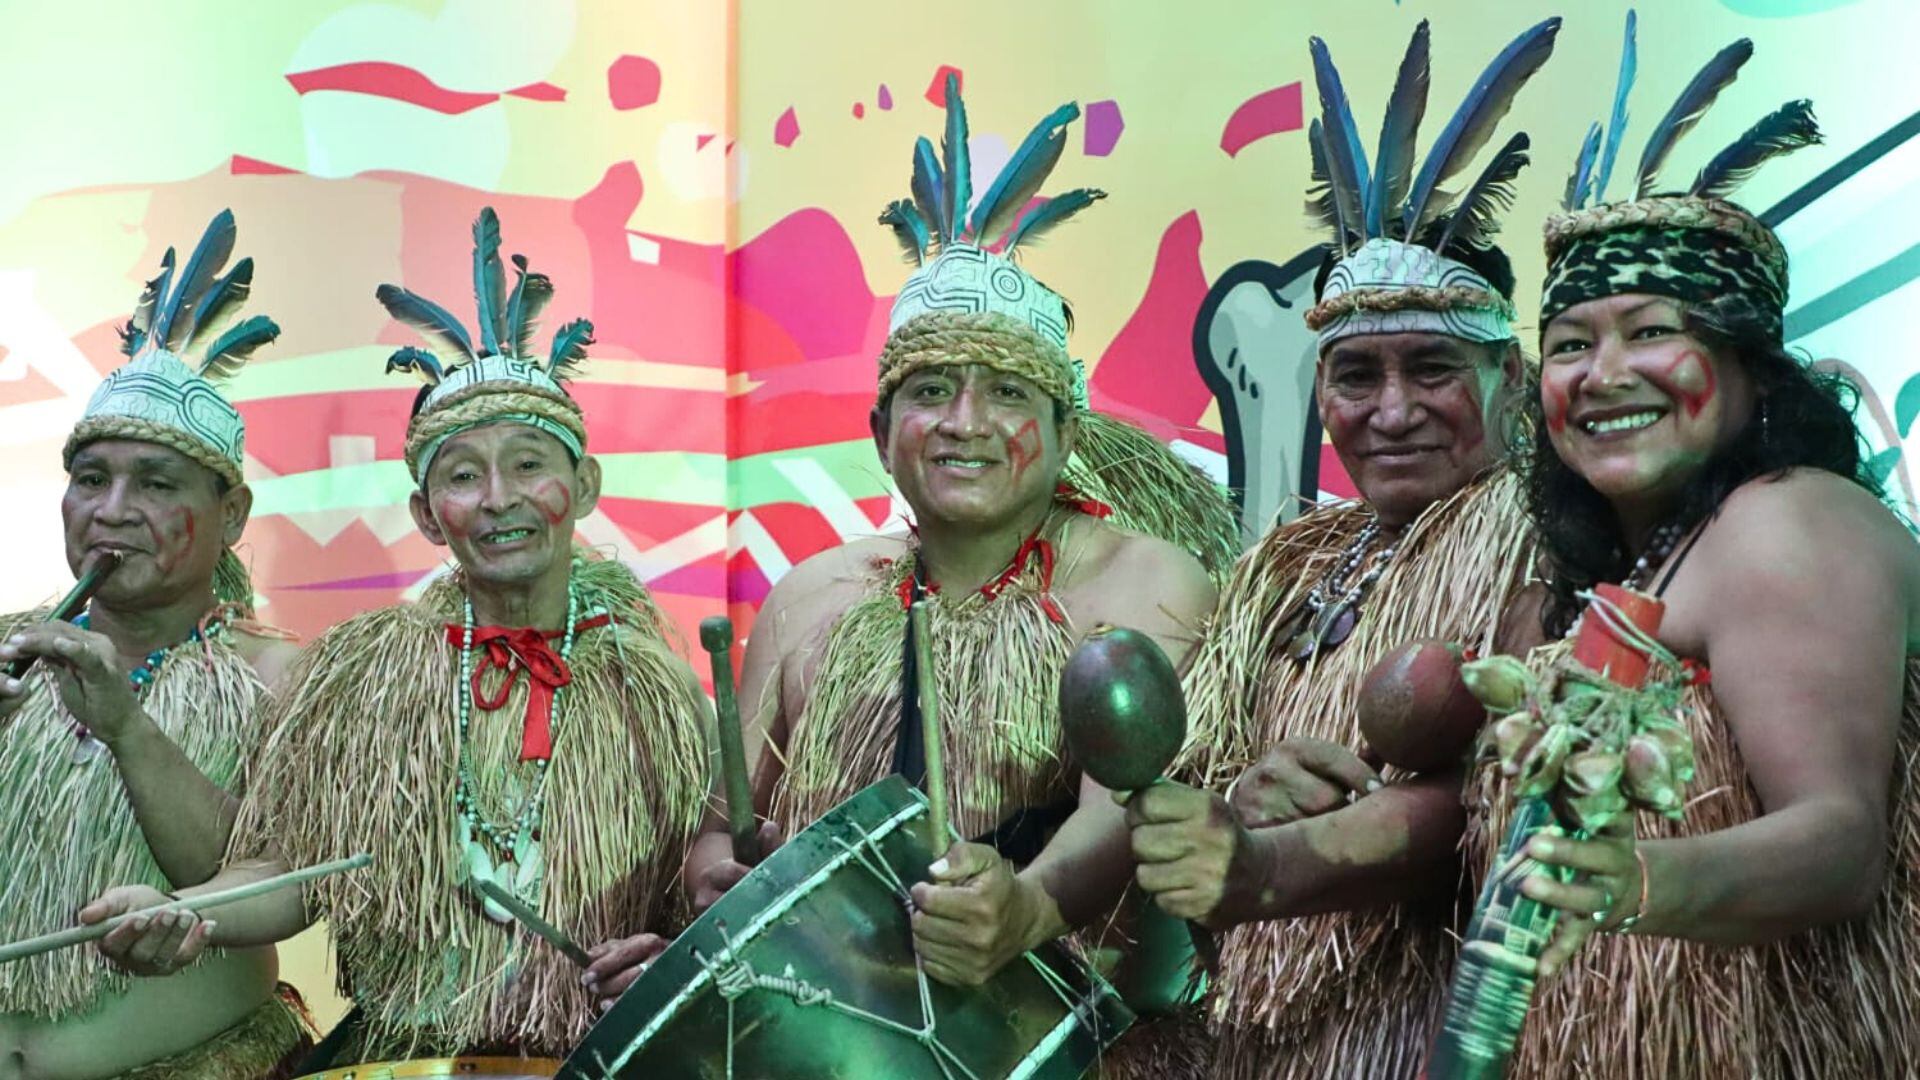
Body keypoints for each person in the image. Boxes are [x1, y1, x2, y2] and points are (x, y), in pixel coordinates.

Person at [680, 79, 1233, 1060]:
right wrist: (718, 877)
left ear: (1067, 436)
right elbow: (724, 828)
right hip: (827, 1046)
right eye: (931, 390)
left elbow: (1129, 820)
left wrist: (1024, 907)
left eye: (1008, 393)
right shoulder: (815, 594)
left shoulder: (1145, 587)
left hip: (1070, 1046)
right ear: (881, 431)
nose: (966, 424)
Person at [83, 209, 712, 1068]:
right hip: (403, 1058)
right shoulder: (361, 676)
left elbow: (705, 912)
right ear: (426, 514)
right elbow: (288, 873)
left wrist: (666, 967)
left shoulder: (663, 694)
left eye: (530, 464)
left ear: (586, 484)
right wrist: (190, 911)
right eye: (462, 475)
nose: (499, 498)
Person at [1464, 24, 1920, 1075]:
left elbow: (1837, 841)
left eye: (1652, 332)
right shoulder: (1627, 565)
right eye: (1572, 343)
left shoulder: (1786, 520)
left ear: (1752, 369)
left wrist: (1633, 886)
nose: (1603, 373)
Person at [1118, 19, 1559, 1077]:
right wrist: (1236, 809)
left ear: (1509, 377)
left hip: (1467, 1033)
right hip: (1271, 1031)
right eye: (1357, 375)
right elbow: (1196, 804)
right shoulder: (1286, 565)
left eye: (1433, 369)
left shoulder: (1548, 539)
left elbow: (1531, 805)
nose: (1392, 409)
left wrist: (1290, 858)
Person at [0, 210, 316, 1078]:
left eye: (157, 483)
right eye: (92, 479)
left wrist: (128, 727)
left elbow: (280, 879)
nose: (111, 510)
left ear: (233, 517)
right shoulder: (9, 656)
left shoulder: (279, 676)